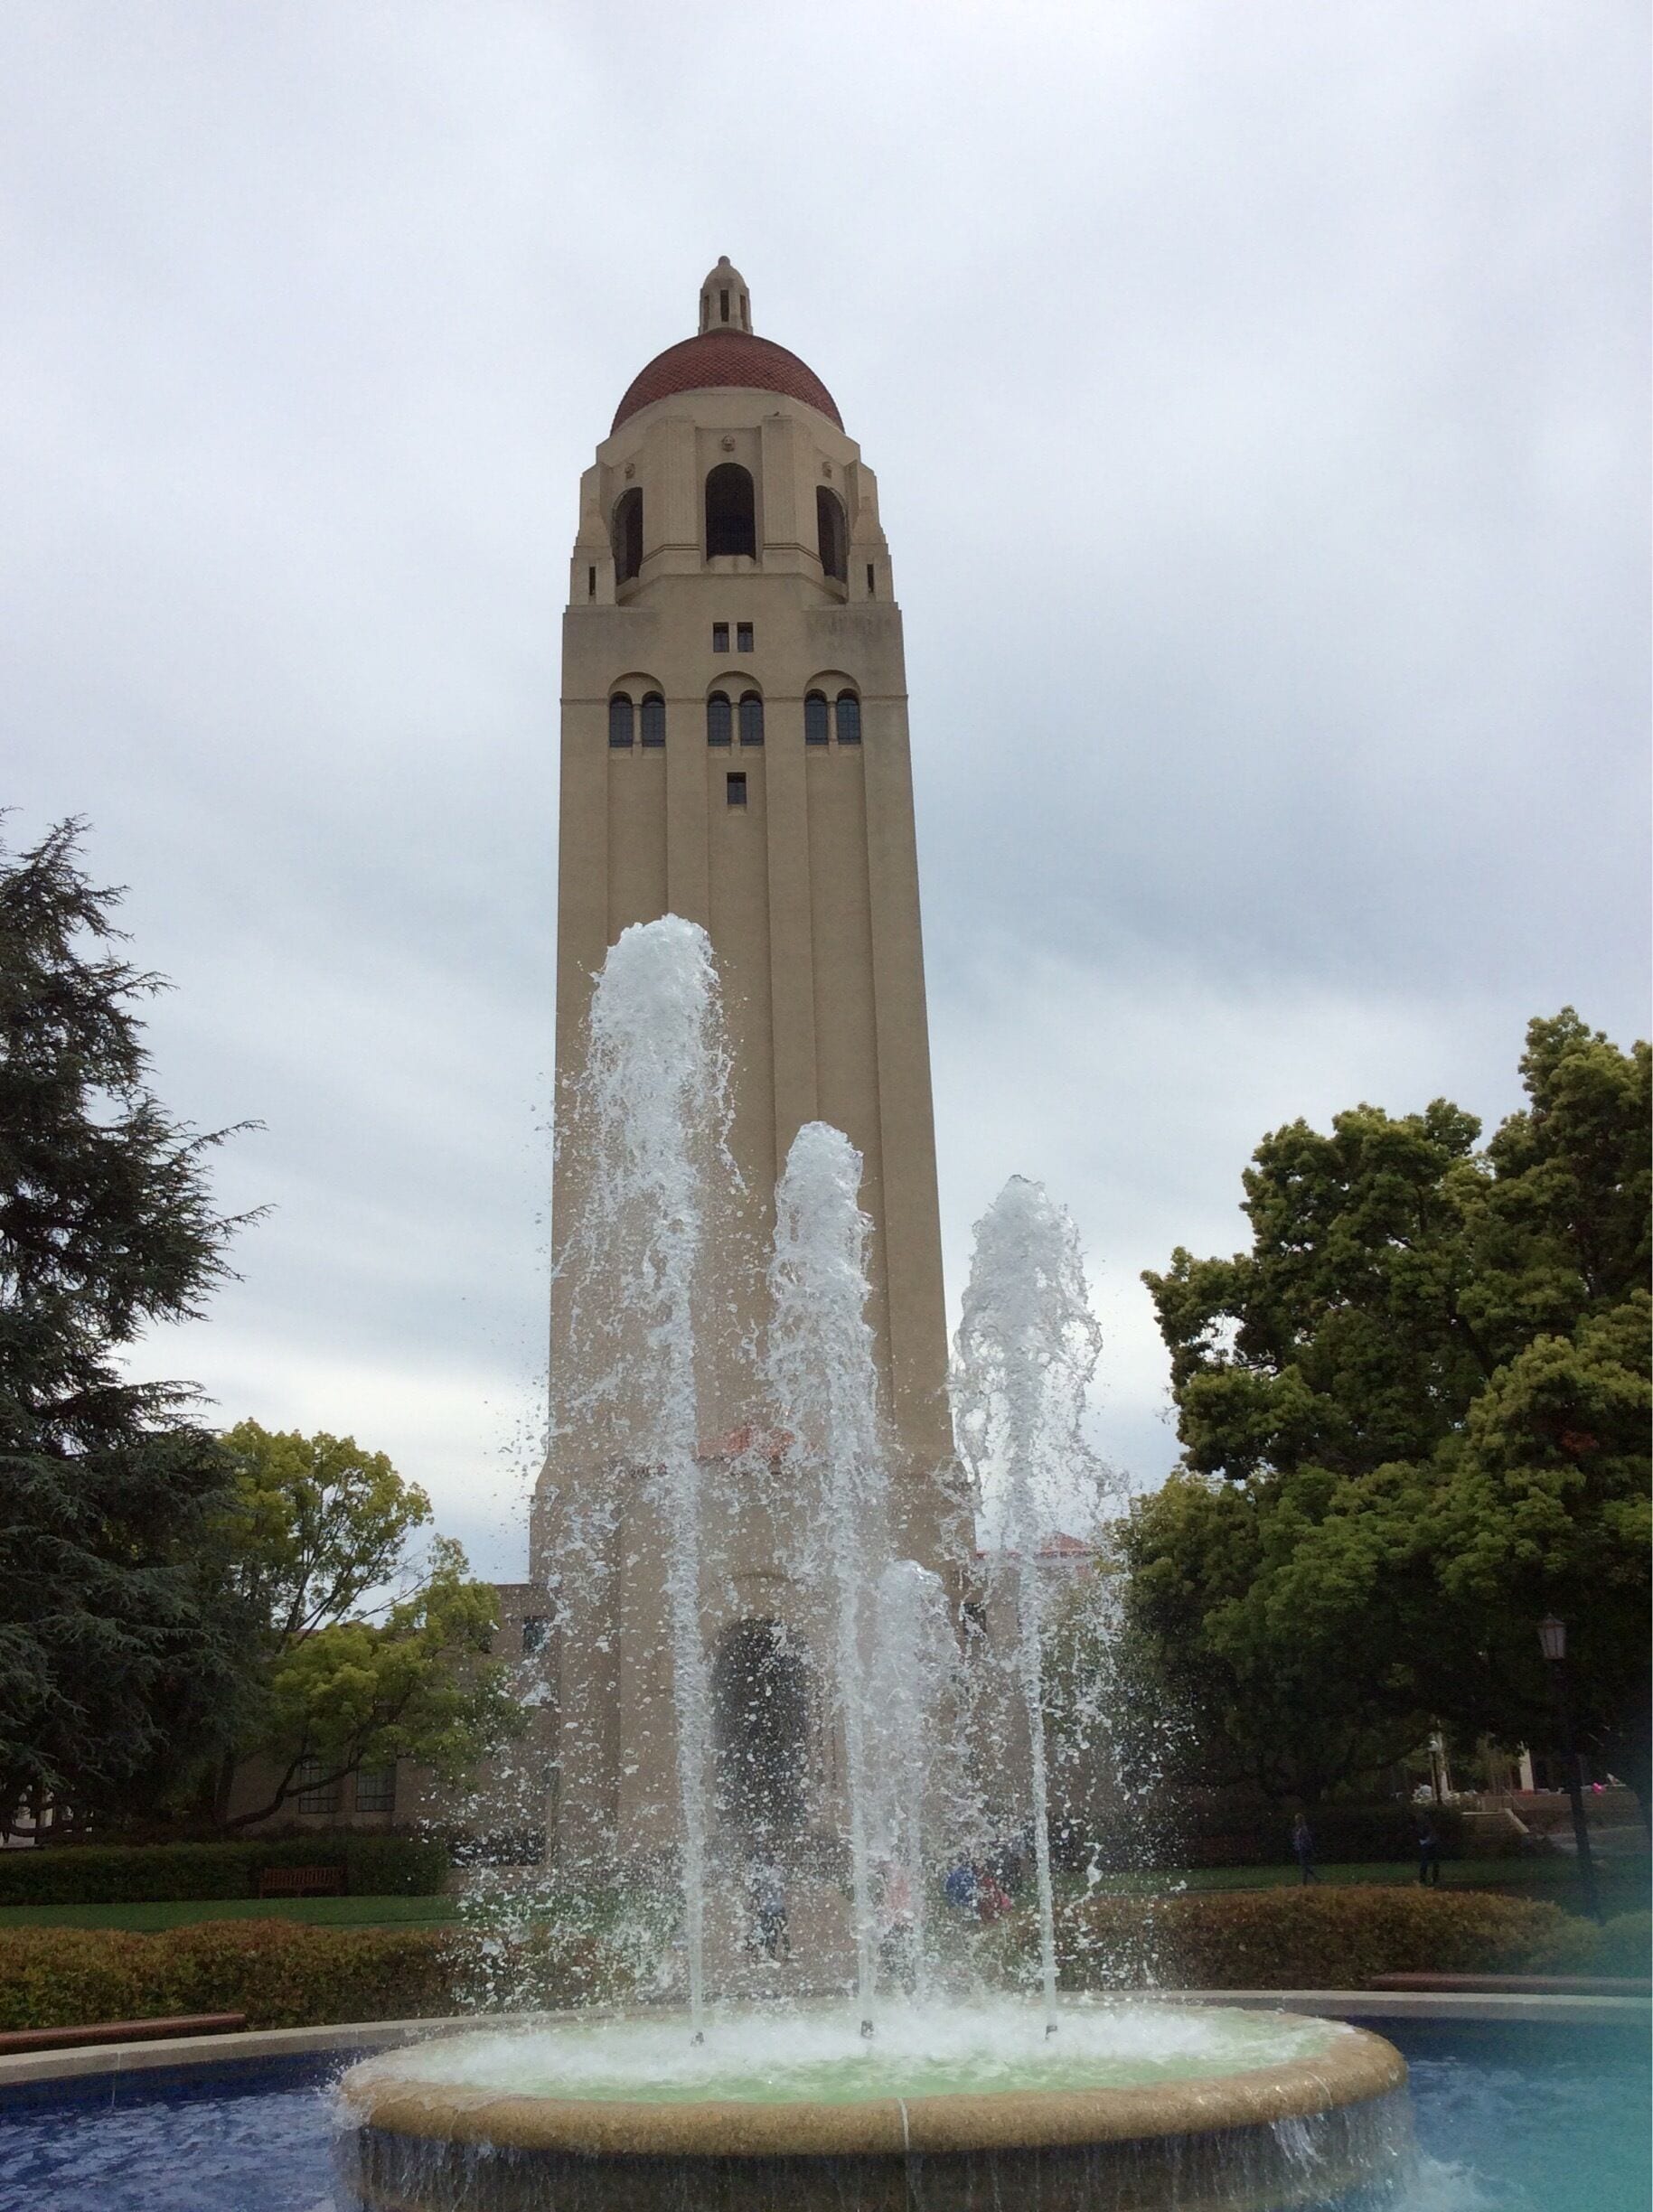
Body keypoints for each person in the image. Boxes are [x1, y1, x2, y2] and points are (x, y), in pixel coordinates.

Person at [747, 1853, 789, 1961]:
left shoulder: (766, 1872)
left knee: (775, 1930)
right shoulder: (775, 1872)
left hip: (772, 1907)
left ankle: (773, 1952)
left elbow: (756, 1890)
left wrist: (753, 1902)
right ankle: (774, 1952)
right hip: (771, 1907)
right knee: (776, 1930)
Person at [1291, 1814, 1318, 1886]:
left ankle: (1311, 1879)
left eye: (1297, 1819)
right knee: (1304, 1865)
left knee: (1304, 1865)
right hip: (1301, 1848)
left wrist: (1309, 1848)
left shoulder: (1303, 1829)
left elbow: (1307, 1840)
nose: (1296, 1821)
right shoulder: (1298, 1829)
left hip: (1304, 1849)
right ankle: (1306, 1881)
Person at [1417, 1817, 1442, 1888]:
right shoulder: (1427, 1826)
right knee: (1430, 1862)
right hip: (1428, 1843)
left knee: (1428, 1862)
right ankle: (1431, 1879)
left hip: (1428, 1843)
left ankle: (1426, 1879)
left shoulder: (1425, 1825)